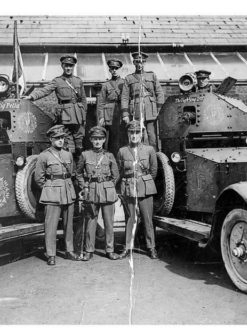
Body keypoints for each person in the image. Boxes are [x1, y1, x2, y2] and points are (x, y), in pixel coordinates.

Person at [34, 125, 81, 265]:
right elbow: (39, 178)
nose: (61, 140)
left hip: (68, 191)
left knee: (69, 224)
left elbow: (71, 172)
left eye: (62, 138)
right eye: (57, 138)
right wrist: (50, 188)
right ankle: (51, 254)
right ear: (50, 139)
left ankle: (69, 250)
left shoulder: (68, 154)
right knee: (51, 226)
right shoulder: (44, 156)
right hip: (52, 193)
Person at [23, 55, 87, 155]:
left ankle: (79, 169)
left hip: (78, 115)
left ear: (73, 67)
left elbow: (83, 99)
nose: (68, 68)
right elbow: (45, 90)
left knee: (79, 143)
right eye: (66, 66)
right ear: (62, 66)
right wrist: (32, 97)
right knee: (64, 142)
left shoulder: (78, 81)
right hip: (65, 115)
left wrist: (84, 115)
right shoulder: (57, 81)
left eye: (71, 66)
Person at [75, 126, 121, 261]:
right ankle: (89, 250)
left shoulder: (109, 155)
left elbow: (116, 174)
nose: (97, 142)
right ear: (90, 139)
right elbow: (78, 173)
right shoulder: (85, 155)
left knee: (109, 222)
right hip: (91, 190)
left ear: (104, 140)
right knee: (91, 221)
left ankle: (110, 250)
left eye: (100, 139)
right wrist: (84, 186)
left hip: (107, 191)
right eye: (95, 139)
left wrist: (110, 186)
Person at [117, 120, 158, 259]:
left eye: (137, 132)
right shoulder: (122, 151)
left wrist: (143, 180)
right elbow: (120, 170)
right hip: (129, 187)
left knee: (147, 219)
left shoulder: (149, 150)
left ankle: (151, 247)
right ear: (128, 134)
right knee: (130, 219)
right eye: (131, 133)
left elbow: (153, 171)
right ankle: (128, 247)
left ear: (141, 134)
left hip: (145, 187)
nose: (134, 135)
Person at [121, 52, 165, 149]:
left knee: (152, 136)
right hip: (136, 110)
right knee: (137, 135)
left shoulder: (152, 75)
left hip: (150, 110)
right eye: (137, 62)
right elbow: (124, 97)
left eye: (142, 62)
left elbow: (160, 93)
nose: (139, 65)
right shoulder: (129, 78)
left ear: (144, 63)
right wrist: (125, 114)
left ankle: (153, 157)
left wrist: (159, 110)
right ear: (134, 63)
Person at [96, 58, 126, 155]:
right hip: (109, 115)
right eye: (112, 68)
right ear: (109, 70)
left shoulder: (124, 83)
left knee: (121, 138)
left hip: (121, 114)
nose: (114, 70)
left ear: (120, 69)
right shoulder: (106, 85)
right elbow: (101, 103)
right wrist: (101, 117)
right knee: (109, 140)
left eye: (116, 68)